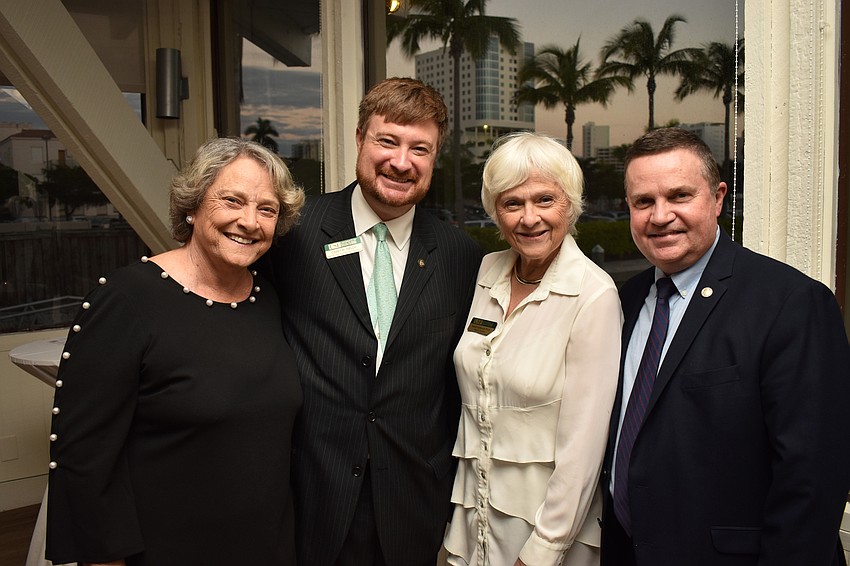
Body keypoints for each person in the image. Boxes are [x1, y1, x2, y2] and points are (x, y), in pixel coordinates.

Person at [45, 137, 305, 565]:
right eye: (232, 201)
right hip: (166, 550)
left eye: (267, 209)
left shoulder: (269, 298)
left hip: (267, 547)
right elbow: (86, 459)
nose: (249, 221)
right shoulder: (128, 300)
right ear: (193, 204)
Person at [600, 127, 850, 566]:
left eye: (679, 196)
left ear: (717, 198)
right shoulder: (625, 299)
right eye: (644, 202)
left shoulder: (790, 303)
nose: (660, 216)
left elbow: (812, 482)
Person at [263, 77, 481, 565]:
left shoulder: (460, 256)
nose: (402, 162)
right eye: (388, 140)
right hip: (311, 502)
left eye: (420, 149)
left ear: (435, 158)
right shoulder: (293, 233)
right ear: (360, 139)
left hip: (414, 512)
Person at [442, 132, 622, 566]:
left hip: (544, 536)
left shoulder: (593, 295)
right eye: (512, 203)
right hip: (473, 523)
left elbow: (583, 451)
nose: (529, 218)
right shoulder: (488, 271)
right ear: (495, 212)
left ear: (571, 205)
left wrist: (543, 551)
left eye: (545, 200)